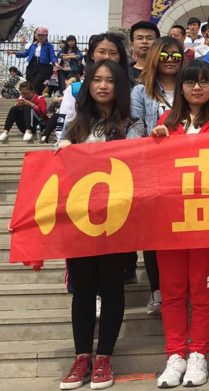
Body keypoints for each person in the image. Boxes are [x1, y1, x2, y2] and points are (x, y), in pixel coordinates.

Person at [150, 60, 209, 388]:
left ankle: (198, 353)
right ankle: (175, 355)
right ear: (181, 88)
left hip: (208, 219)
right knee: (172, 291)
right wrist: (156, 140)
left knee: (203, 290)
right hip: (169, 221)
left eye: (204, 82)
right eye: (189, 82)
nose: (197, 88)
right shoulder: (166, 122)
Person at [57, 60, 141, 390]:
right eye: (96, 80)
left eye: (110, 80)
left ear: (119, 87)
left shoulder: (130, 125)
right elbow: (54, 169)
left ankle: (104, 356)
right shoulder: (75, 126)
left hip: (116, 219)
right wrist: (61, 150)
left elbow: (137, 163)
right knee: (82, 289)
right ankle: (82, 357)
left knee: (111, 286)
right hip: (78, 220)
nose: (103, 86)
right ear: (88, 85)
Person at [130, 35, 184, 314]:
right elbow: (135, 127)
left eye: (176, 56)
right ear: (154, 58)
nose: (170, 61)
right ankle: (157, 290)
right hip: (153, 170)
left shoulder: (190, 86)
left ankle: (182, 288)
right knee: (153, 234)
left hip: (187, 169)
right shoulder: (141, 91)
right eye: (164, 56)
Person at [55, 33, 131, 145]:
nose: (107, 57)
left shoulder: (130, 126)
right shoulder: (75, 124)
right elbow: (60, 143)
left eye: (113, 53)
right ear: (91, 55)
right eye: (102, 52)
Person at [11, 26, 57, 94]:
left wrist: (55, 63)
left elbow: (52, 56)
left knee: (36, 83)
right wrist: (15, 53)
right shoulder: (33, 45)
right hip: (32, 65)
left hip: (43, 67)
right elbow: (25, 53)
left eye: (43, 35)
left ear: (46, 36)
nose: (41, 37)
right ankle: (39, 94)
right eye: (39, 35)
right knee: (31, 84)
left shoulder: (49, 46)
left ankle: (44, 89)